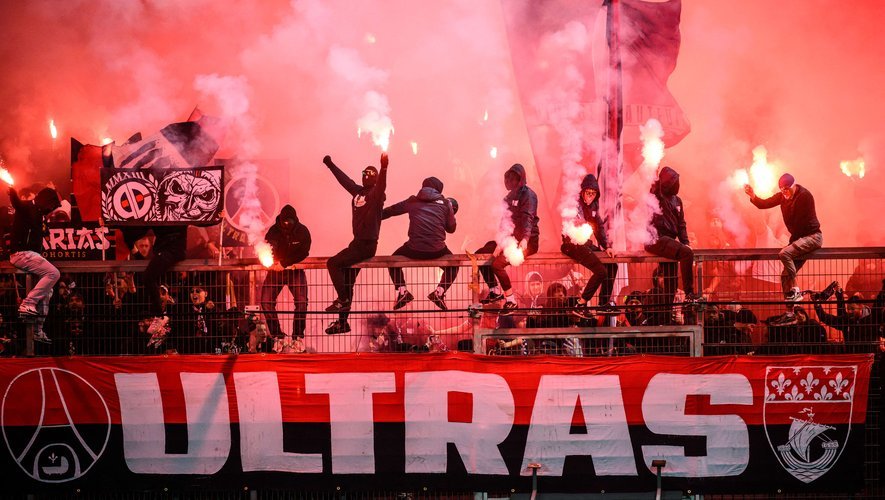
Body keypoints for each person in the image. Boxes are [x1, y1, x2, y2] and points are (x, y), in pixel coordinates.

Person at [323, 152, 388, 334]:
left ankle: (342, 300)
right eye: (364, 173)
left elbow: (381, 186)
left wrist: (383, 167)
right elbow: (344, 181)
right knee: (348, 281)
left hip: (367, 245)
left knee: (333, 263)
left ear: (374, 178)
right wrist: (330, 164)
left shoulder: (376, 195)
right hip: (357, 243)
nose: (365, 176)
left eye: (368, 174)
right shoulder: (358, 192)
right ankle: (342, 322)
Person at [744, 173, 822, 325]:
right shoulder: (782, 196)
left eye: (787, 189)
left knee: (784, 253)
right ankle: (790, 312)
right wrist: (753, 195)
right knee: (785, 275)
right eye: (782, 189)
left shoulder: (804, 196)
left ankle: (796, 291)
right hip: (799, 239)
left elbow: (800, 224)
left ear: (794, 186)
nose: (784, 192)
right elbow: (763, 204)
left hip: (812, 237)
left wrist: (791, 241)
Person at [382, 177, 457, 311]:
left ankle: (402, 292)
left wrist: (371, 215)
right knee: (454, 265)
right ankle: (439, 292)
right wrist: (448, 214)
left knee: (393, 260)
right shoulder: (445, 203)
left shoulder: (413, 201)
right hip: (437, 250)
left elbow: (391, 211)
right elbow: (451, 229)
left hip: (414, 248)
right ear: (439, 190)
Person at [477, 163, 540, 313]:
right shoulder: (508, 197)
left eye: (514, 179)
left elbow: (528, 218)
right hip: (511, 239)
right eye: (509, 179)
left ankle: (511, 301)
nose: (511, 182)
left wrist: (525, 239)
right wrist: (500, 242)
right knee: (481, 254)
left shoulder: (529, 195)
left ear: (521, 179)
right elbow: (504, 221)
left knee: (497, 265)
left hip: (528, 241)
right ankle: (494, 291)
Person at [7, 186, 62, 343]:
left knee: (48, 290)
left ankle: (37, 330)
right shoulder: (27, 206)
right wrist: (13, 192)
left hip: (31, 255)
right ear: (47, 201)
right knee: (53, 274)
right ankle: (28, 303)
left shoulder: (40, 215)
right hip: (22, 253)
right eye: (53, 205)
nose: (53, 210)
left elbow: (43, 231)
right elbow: (17, 203)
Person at [644, 166, 700, 319]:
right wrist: (654, 170)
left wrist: (685, 242)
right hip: (655, 239)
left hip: (669, 242)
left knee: (671, 284)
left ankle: (665, 317)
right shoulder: (657, 195)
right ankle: (689, 294)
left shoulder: (678, 201)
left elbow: (681, 224)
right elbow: (654, 189)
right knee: (686, 254)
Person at [561, 173, 618, 313]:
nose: (590, 196)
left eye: (593, 194)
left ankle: (603, 304)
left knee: (612, 266)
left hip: (585, 243)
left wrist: (607, 246)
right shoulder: (574, 202)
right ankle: (581, 304)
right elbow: (576, 222)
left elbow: (598, 226)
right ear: (582, 191)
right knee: (600, 271)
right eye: (588, 193)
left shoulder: (593, 206)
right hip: (571, 244)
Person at [260, 204, 311, 339]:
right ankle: (277, 336)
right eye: (285, 221)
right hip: (275, 273)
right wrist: (271, 259)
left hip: (295, 271)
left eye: (290, 221)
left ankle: (297, 337)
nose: (287, 223)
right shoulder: (273, 231)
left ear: (295, 220)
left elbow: (304, 252)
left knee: (301, 303)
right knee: (266, 302)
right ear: (281, 220)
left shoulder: (302, 231)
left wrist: (284, 263)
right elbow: (268, 247)